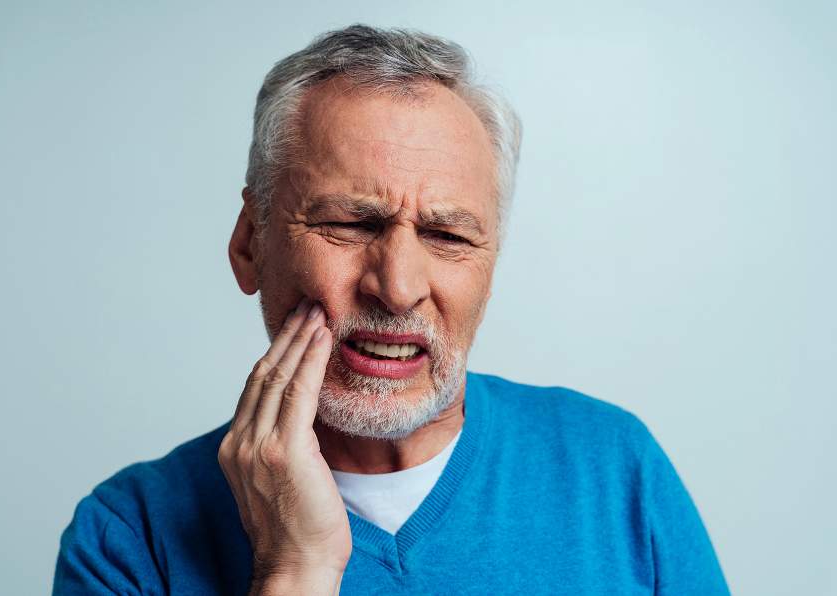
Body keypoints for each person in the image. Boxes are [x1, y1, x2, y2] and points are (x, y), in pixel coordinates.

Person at [53, 24, 729, 595]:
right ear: (249, 244)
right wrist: (294, 569)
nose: (398, 287)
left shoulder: (614, 468)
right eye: (351, 223)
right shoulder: (128, 539)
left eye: (447, 235)